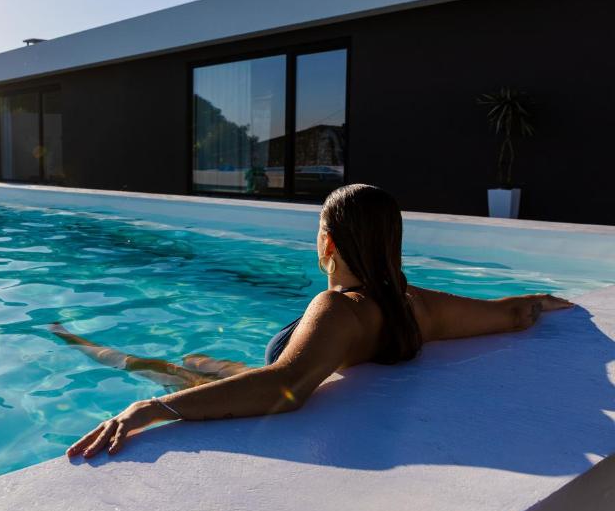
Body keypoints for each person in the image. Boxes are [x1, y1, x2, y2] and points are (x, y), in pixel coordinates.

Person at [52, 183, 573, 459]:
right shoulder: (415, 304)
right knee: (195, 360)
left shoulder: (338, 307)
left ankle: (77, 340)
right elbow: (512, 313)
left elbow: (289, 385)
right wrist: (544, 300)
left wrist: (152, 410)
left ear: (327, 242)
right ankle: (102, 348)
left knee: (152, 369)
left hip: (275, 391)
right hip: (319, 365)